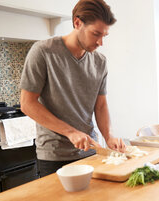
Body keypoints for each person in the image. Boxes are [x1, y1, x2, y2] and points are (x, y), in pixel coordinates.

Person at [20, 0, 125, 177]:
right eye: (95, 34)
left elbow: (100, 106)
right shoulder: (43, 52)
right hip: (54, 156)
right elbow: (27, 104)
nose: (101, 42)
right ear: (77, 23)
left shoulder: (100, 62)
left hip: (91, 152)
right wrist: (71, 132)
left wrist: (109, 137)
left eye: (104, 36)